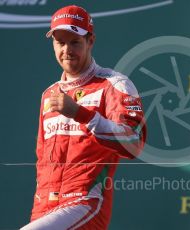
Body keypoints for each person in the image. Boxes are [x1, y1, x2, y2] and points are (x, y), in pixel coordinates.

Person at [21, 5, 146, 230]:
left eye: (75, 42)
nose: (66, 50)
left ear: (91, 41)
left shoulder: (115, 84)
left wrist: (81, 114)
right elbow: (43, 162)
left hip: (85, 203)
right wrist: (38, 213)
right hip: (45, 209)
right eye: (60, 43)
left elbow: (134, 144)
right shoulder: (49, 94)